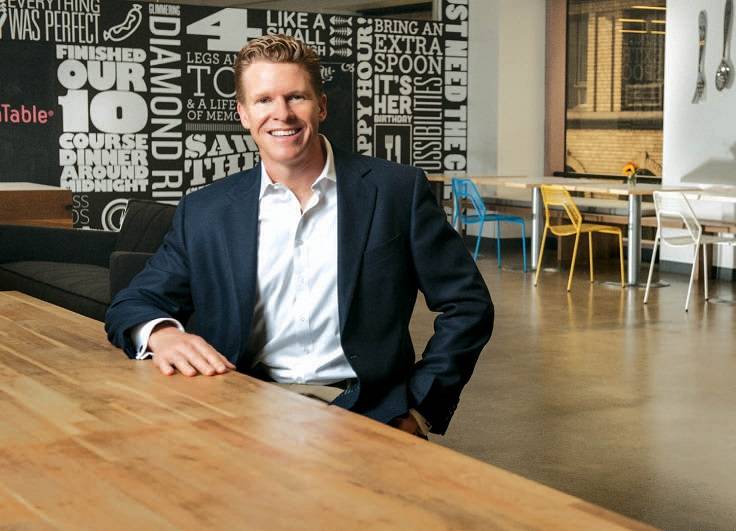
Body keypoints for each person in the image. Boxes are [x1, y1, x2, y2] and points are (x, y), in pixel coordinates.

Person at [105, 34, 493, 437]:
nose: (282, 114)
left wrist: (420, 408)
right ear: (243, 113)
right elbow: (133, 302)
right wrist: (162, 334)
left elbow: (468, 304)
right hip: (240, 407)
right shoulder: (205, 211)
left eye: (296, 97)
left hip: (367, 410)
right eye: (264, 100)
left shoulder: (396, 191)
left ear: (321, 105)